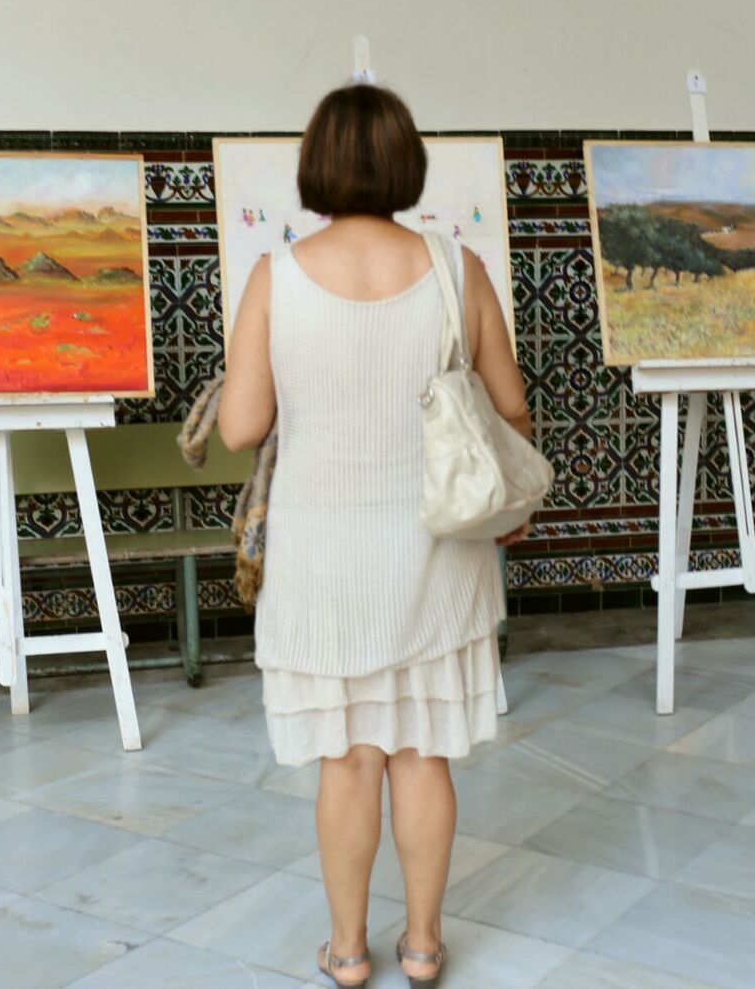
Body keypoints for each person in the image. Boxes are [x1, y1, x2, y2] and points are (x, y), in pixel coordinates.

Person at [217, 83, 531, 988]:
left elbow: (240, 429)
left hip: (320, 557)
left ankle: (348, 951)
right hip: (438, 545)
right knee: (421, 751)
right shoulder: (455, 269)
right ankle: (425, 946)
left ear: (315, 164)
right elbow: (509, 408)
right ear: (406, 162)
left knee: (348, 759)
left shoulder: (275, 276)